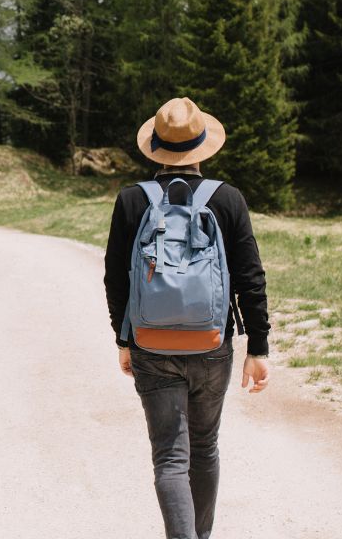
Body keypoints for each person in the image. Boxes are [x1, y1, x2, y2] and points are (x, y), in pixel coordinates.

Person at [103, 97, 272, 539]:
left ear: (155, 147)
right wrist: (258, 346)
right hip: (211, 345)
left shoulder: (131, 201)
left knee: (170, 457)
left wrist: (125, 341)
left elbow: (115, 278)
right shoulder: (228, 199)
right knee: (204, 448)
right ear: (202, 148)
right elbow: (251, 277)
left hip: (151, 346)